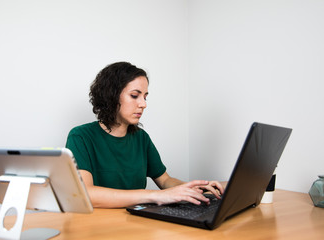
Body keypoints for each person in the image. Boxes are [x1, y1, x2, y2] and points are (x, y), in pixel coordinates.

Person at [66, 62, 224, 208]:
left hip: (136, 222)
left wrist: (191, 188)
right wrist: (155, 196)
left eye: (145, 97)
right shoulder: (81, 137)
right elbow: (86, 194)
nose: (143, 104)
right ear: (111, 96)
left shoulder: (141, 138)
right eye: (135, 96)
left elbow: (165, 180)